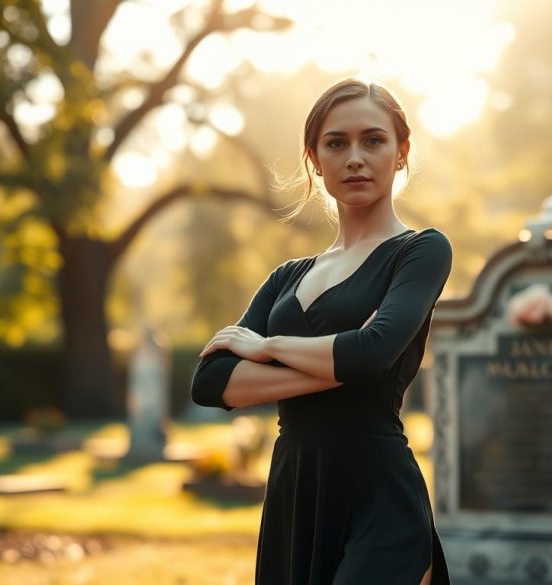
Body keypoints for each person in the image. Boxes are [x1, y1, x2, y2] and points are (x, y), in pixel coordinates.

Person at [190, 78, 452, 584]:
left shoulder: (421, 251)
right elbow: (210, 383)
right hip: (295, 492)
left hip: (379, 496)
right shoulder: (287, 277)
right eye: (336, 143)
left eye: (373, 140)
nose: (355, 158)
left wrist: (267, 347)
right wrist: (342, 364)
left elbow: (371, 354)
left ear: (401, 153)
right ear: (314, 159)